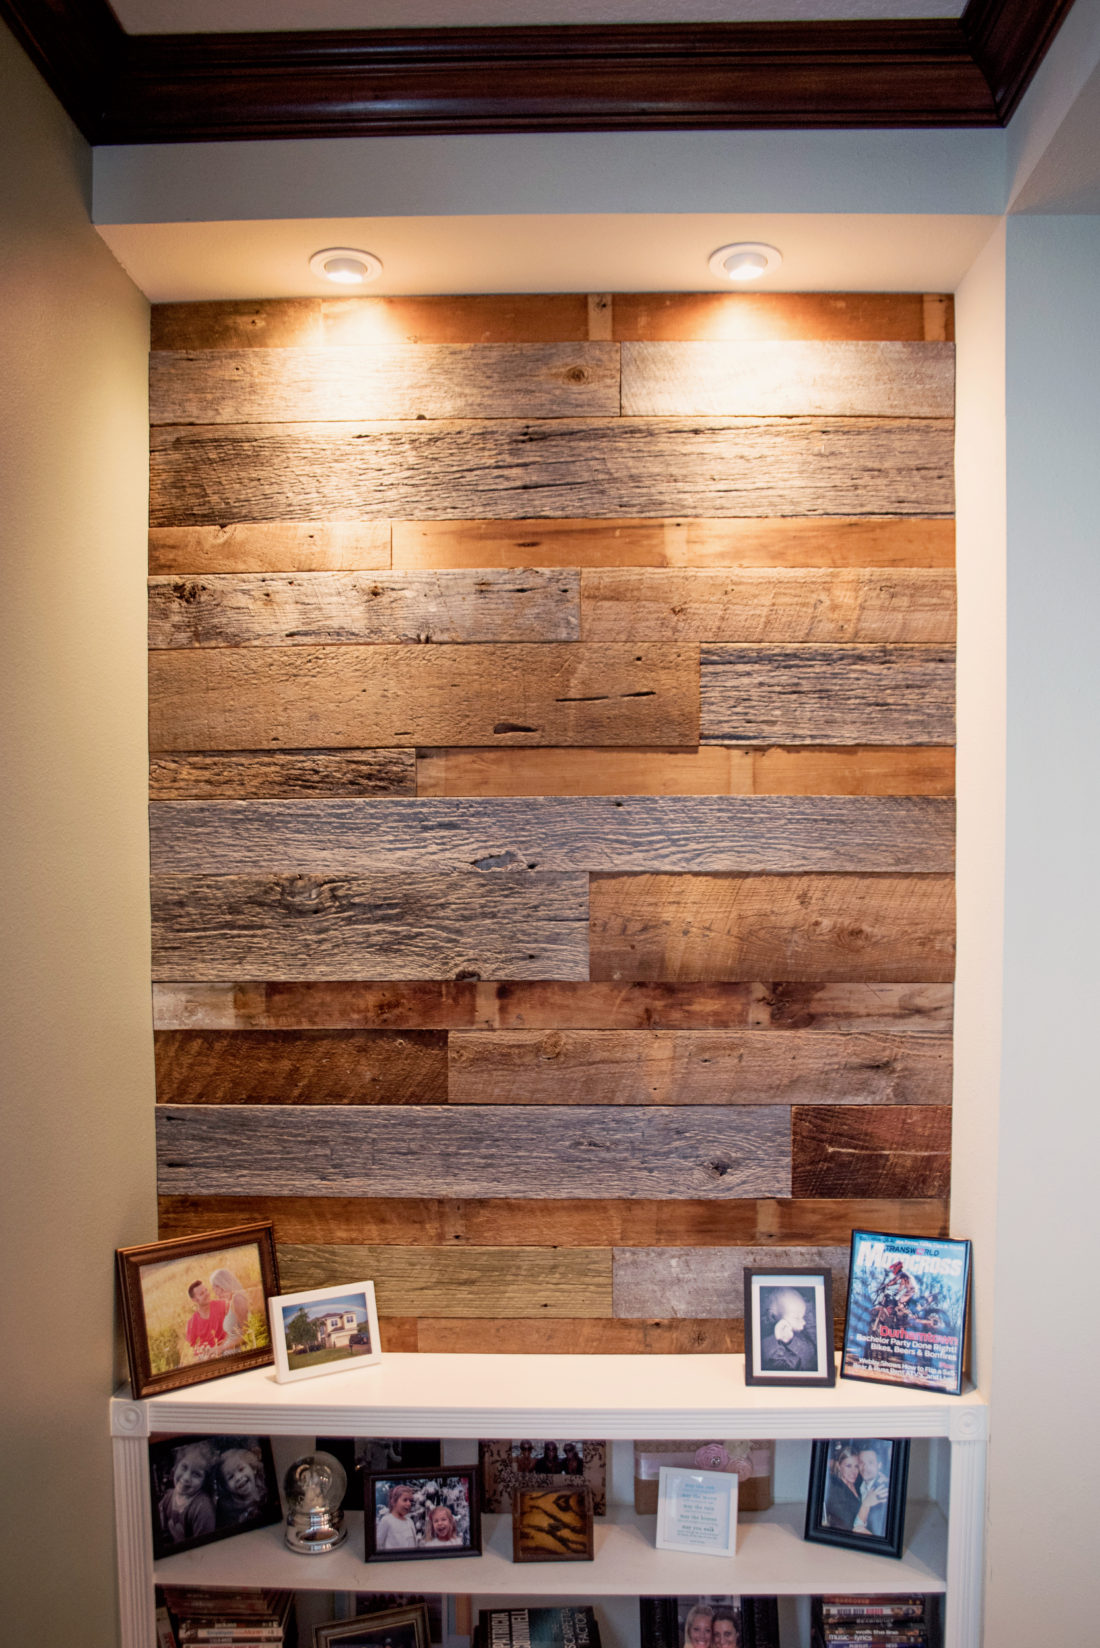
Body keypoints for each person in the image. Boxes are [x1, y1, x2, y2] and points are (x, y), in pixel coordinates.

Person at [158, 1441, 216, 1544]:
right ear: (176, 1466)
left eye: (196, 1474)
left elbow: (204, 1546)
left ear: (204, 1481)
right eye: (184, 1467)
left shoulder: (202, 1508)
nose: (186, 1478)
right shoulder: (169, 1495)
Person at [759, 1287, 817, 1372]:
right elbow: (761, 1357)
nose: (804, 1322)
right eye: (796, 1317)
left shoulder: (800, 1336)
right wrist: (774, 1338)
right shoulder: (763, 1338)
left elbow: (810, 1357)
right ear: (772, 1316)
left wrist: (791, 1342)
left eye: (803, 1317)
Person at [214, 1446, 267, 1526]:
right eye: (231, 1477)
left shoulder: (267, 1491)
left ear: (253, 1468)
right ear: (226, 1487)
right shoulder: (230, 1513)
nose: (238, 1478)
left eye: (241, 1469)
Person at [210, 1266, 251, 1354]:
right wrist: (220, 1347)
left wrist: (222, 1348)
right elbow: (233, 1333)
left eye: (214, 1288)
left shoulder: (238, 1299)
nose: (214, 1292)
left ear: (221, 1285)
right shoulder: (231, 1300)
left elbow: (247, 1335)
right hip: (228, 1351)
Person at [184, 1279, 228, 1361]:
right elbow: (191, 1350)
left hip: (225, 1349)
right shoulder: (192, 1322)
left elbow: (235, 1330)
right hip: (206, 1357)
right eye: (202, 1293)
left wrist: (220, 1347)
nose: (207, 1294)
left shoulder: (223, 1305)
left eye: (206, 1290)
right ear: (194, 1300)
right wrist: (203, 1355)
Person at [823, 1445, 863, 1530]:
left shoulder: (858, 1484)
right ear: (839, 1466)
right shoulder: (835, 1490)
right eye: (848, 1466)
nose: (854, 1471)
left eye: (856, 1466)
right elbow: (847, 1523)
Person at [854, 1444, 890, 1537]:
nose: (865, 1467)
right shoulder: (858, 1486)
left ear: (879, 1465)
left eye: (870, 1462)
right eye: (862, 1462)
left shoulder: (882, 1491)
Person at [375, 1483, 419, 1550]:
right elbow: (379, 1544)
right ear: (393, 1502)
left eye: (410, 1501)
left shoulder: (410, 1521)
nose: (409, 1503)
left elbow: (414, 1544)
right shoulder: (387, 1520)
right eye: (405, 1500)